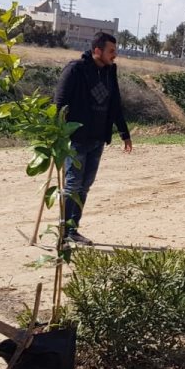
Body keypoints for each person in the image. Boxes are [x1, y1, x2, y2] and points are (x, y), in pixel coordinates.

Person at [52, 31, 132, 245]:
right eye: (111, 51)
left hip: (97, 139)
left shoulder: (110, 71)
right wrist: (57, 133)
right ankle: (63, 233)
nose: (115, 55)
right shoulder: (75, 69)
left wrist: (124, 133)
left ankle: (73, 229)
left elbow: (115, 103)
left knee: (85, 186)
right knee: (72, 185)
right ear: (97, 50)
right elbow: (59, 103)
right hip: (76, 138)